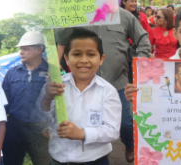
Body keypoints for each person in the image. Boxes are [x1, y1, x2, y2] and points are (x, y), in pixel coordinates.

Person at [57, 2, 149, 164]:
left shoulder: (123, 15)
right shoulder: (80, 13)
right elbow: (61, 37)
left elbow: (142, 38)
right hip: (86, 83)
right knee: (86, 119)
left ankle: (129, 145)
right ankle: (86, 154)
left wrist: (140, 64)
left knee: (126, 123)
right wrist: (70, 13)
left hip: (118, 80)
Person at [41, 28, 121, 165]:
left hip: (96, 161)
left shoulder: (108, 91)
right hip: (59, 160)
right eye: (76, 54)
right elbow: (42, 123)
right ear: (66, 58)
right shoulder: (55, 87)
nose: (84, 60)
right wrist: (47, 99)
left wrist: (82, 133)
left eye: (91, 54)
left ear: (101, 59)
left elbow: (112, 131)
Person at [1, 31, 51, 165]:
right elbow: (3, 102)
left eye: (25, 49)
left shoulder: (51, 72)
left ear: (39, 49)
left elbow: (59, 101)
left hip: (41, 129)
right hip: (14, 127)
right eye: (20, 49)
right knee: (11, 161)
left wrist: (51, 127)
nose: (21, 52)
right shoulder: (12, 72)